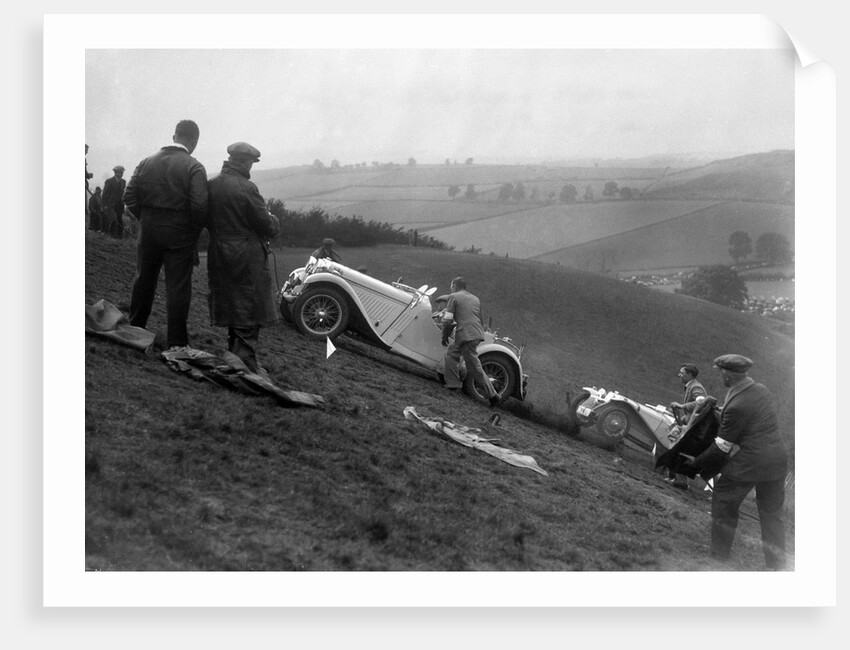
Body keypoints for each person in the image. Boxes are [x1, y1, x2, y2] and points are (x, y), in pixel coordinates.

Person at [684, 354, 788, 570]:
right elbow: (750, 417)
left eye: (722, 372)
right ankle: (776, 566)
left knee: (724, 498)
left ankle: (719, 555)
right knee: (771, 514)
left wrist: (696, 462)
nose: (721, 375)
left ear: (729, 375)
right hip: (777, 460)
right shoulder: (760, 390)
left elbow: (722, 447)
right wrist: (721, 412)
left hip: (752, 461)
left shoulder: (737, 404)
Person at [125, 119, 209, 351]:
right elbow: (200, 206)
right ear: (193, 142)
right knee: (178, 287)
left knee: (143, 280)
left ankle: (135, 328)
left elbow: (129, 195)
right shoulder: (194, 167)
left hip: (149, 231)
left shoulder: (146, 162)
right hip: (179, 236)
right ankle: (177, 341)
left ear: (174, 137)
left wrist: (147, 218)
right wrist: (190, 230)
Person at [206, 142, 280, 374]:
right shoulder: (247, 188)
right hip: (246, 256)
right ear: (245, 162)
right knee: (249, 307)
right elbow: (266, 226)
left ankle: (236, 357)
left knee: (232, 305)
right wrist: (273, 219)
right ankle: (245, 363)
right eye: (250, 163)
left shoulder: (211, 185)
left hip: (219, 253)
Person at [440, 276, 500, 407]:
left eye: (451, 286)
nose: (450, 288)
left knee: (474, 367)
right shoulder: (475, 299)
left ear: (454, 286)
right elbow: (480, 319)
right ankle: (453, 384)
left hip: (466, 335)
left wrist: (444, 337)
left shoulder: (453, 297)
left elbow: (447, 320)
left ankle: (493, 395)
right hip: (475, 334)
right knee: (451, 354)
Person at [664, 363, 708, 488]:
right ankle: (676, 477)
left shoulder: (696, 388)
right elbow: (691, 412)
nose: (679, 375)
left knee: (681, 450)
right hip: (692, 424)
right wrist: (682, 420)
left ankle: (681, 481)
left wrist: (682, 406)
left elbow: (702, 403)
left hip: (696, 428)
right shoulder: (691, 386)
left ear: (689, 375)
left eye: (682, 373)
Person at [102, 165, 126, 237]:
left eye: (122, 172)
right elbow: (104, 194)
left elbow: (122, 193)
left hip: (119, 205)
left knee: (119, 219)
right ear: (115, 172)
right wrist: (105, 205)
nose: (121, 174)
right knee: (112, 219)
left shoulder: (123, 182)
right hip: (111, 204)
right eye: (120, 172)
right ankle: (111, 235)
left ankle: (119, 236)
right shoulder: (109, 181)